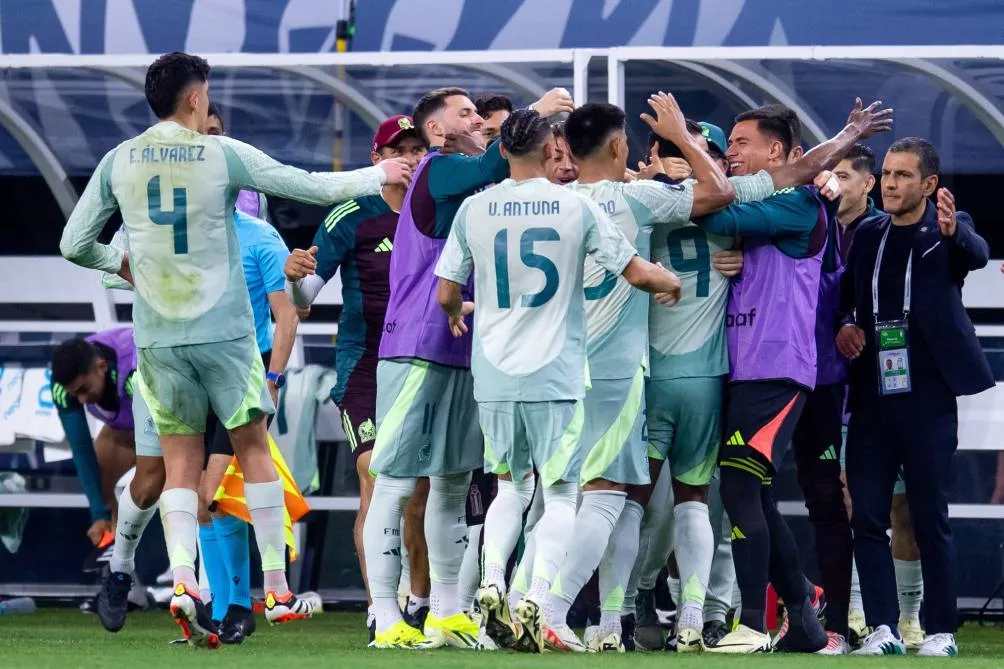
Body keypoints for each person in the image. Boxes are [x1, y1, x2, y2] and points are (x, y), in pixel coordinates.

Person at [59, 51, 411, 647]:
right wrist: (382, 174)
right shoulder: (221, 155)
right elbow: (311, 186)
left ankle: (184, 582)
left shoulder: (119, 160)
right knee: (250, 448)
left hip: (159, 338)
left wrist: (120, 261)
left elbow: (74, 242)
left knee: (178, 464)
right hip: (223, 332)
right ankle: (275, 583)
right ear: (196, 98)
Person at [435, 107, 681, 654]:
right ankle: (540, 596)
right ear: (551, 151)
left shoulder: (475, 209)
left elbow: (447, 290)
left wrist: (457, 310)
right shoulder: (574, 208)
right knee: (563, 492)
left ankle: (494, 582)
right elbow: (637, 273)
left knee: (510, 486)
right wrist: (671, 283)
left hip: (495, 371)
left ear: (501, 151)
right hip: (557, 372)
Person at [362, 85, 573, 649]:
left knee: (454, 485)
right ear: (437, 131)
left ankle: (447, 613)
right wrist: (538, 113)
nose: (479, 120)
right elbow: (493, 158)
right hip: (413, 346)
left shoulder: (485, 192)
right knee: (396, 482)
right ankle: (385, 616)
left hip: (467, 351)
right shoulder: (438, 168)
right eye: (466, 114)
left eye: (481, 115)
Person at [691, 100, 892, 655]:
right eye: (727, 143)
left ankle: (753, 623)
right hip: (745, 369)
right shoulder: (774, 203)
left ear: (777, 152)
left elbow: (713, 213)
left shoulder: (798, 204)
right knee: (753, 492)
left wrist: (690, 155)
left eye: (740, 142)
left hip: (777, 371)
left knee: (738, 487)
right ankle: (803, 612)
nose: (730, 153)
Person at [542, 98, 738, 654]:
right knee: (694, 501)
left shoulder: (565, 202)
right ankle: (697, 617)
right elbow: (725, 191)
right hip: (697, 374)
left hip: (596, 370)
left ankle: (611, 618)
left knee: (613, 501)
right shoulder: (709, 212)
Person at [836, 138, 993, 657]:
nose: (890, 184)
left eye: (903, 176)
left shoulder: (946, 230)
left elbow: (977, 251)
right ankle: (883, 629)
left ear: (929, 185)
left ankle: (942, 630)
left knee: (928, 515)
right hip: (873, 394)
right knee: (866, 516)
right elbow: (844, 299)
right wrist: (845, 325)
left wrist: (955, 234)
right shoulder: (868, 234)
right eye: (886, 174)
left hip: (927, 395)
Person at [283, 114, 432, 639]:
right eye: (400, 149)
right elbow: (304, 300)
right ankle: (379, 607)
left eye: (418, 148)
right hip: (365, 363)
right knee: (374, 476)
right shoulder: (351, 214)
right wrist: (297, 276)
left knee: (421, 493)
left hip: (423, 363)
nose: (411, 158)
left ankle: (421, 601)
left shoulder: (440, 209)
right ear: (376, 160)